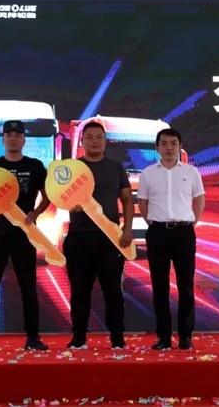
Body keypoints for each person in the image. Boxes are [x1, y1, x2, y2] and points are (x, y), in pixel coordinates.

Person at [0, 120, 50, 352]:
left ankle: (33, 338)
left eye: (17, 135)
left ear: (24, 140)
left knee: (28, 287)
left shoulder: (35, 166)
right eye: (9, 135)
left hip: (25, 234)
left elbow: (48, 196)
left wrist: (36, 212)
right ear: (3, 140)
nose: (13, 139)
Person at [64, 121, 134, 349]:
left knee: (113, 290)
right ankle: (79, 337)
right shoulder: (73, 169)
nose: (95, 142)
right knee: (79, 291)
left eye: (99, 138)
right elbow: (59, 195)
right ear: (82, 141)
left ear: (105, 142)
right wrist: (69, 204)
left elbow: (127, 199)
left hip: (110, 238)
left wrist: (127, 229)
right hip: (79, 237)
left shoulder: (116, 168)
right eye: (90, 137)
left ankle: (117, 337)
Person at [137, 128, 205, 350]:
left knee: (186, 285)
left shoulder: (191, 172)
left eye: (173, 143)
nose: (169, 147)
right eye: (164, 143)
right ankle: (163, 337)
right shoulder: (148, 173)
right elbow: (143, 203)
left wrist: (192, 221)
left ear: (180, 146)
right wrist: (152, 222)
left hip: (184, 233)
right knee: (159, 287)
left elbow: (199, 199)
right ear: (157, 148)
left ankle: (185, 336)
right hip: (158, 233)